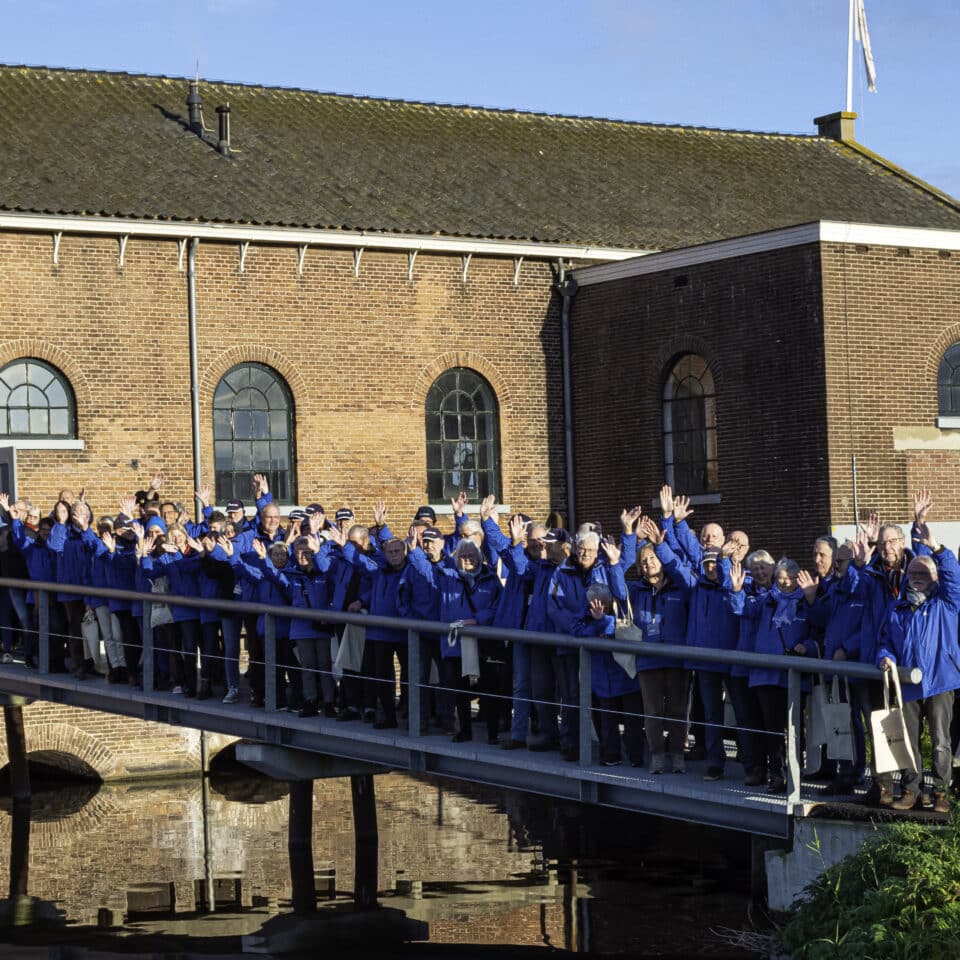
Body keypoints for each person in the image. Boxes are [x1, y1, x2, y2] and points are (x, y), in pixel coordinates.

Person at [876, 520, 960, 814]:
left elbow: (954, 576)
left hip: (940, 680)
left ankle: (940, 792)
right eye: (914, 573)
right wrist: (885, 657)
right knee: (908, 741)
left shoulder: (947, 603)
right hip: (907, 683)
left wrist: (936, 546)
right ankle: (911, 790)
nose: (918, 577)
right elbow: (885, 641)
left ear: (935, 577)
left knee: (940, 741)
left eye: (925, 573)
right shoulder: (897, 609)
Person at [729, 557, 818, 793]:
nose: (785, 583)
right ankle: (776, 774)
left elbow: (817, 631)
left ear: (798, 578)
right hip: (765, 674)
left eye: (789, 578)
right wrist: (737, 590)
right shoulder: (767, 600)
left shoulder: (806, 602)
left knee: (795, 727)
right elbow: (744, 610)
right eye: (780, 579)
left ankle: (795, 773)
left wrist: (806, 647)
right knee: (772, 728)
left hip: (793, 674)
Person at [629, 516, 694, 774]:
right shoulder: (636, 590)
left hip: (677, 658)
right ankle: (657, 755)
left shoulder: (680, 588)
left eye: (652, 559)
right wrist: (628, 537)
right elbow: (614, 582)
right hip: (649, 659)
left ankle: (677, 754)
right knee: (653, 710)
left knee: (679, 709)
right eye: (643, 561)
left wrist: (662, 546)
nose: (647, 565)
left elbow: (682, 571)